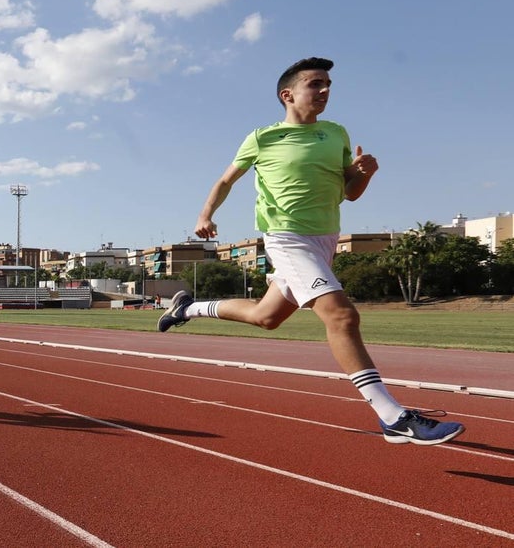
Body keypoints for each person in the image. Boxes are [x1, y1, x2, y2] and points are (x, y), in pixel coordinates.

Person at [157, 57, 464, 446]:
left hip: (325, 238)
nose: (325, 91)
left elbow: (349, 192)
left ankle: (187, 308)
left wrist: (363, 172)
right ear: (288, 94)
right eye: (315, 84)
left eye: (328, 84)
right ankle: (392, 416)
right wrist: (205, 214)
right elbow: (225, 179)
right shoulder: (262, 138)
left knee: (265, 317)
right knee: (342, 317)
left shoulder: (335, 133)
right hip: (287, 237)